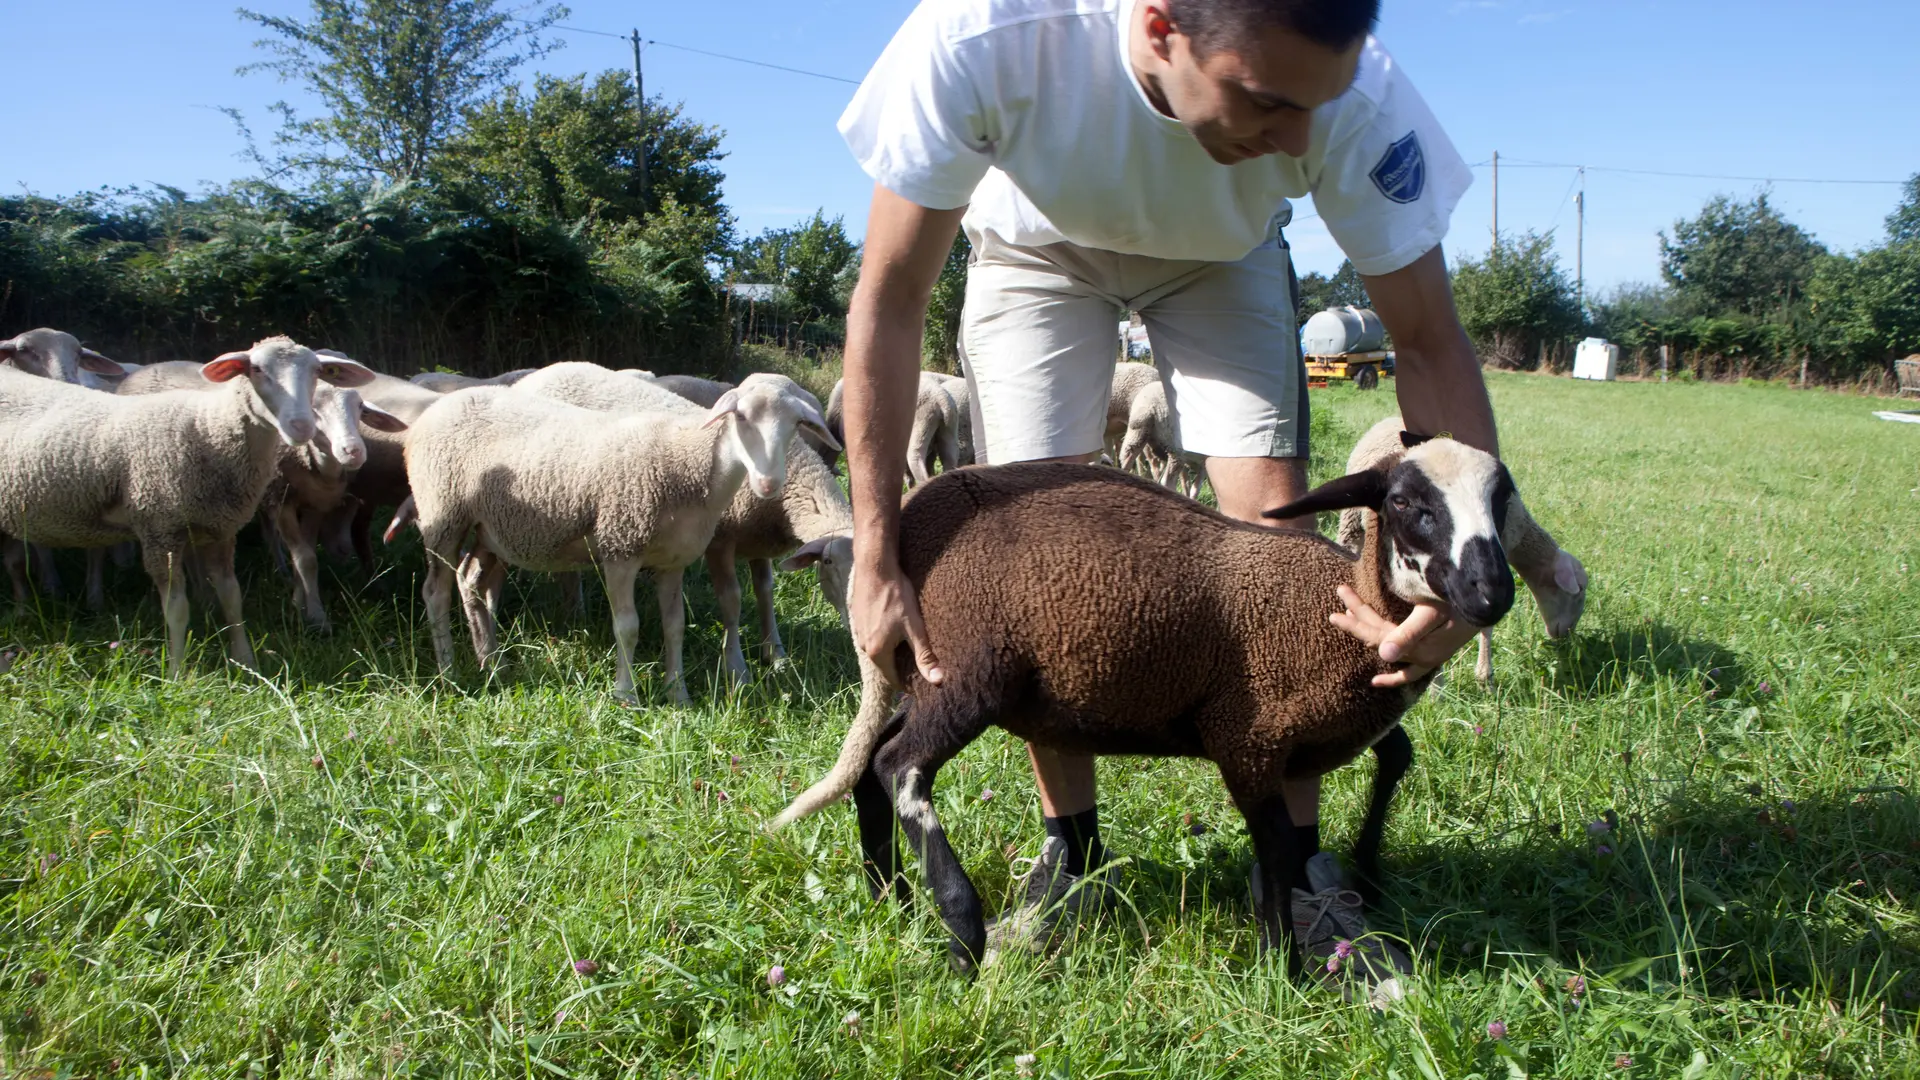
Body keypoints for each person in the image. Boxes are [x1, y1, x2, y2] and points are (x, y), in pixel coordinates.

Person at [836, 0, 1494, 996]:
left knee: (1275, 542)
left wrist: (1458, 574)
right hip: (1034, 251)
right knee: (1040, 562)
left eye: (1315, 106)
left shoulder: (1353, 97)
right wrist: (877, 552)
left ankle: (1305, 874)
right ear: (1157, 29)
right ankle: (1072, 852)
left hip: (1224, 257)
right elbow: (888, 301)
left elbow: (1430, 342)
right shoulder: (988, 36)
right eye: (1267, 101)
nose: (1301, 141)